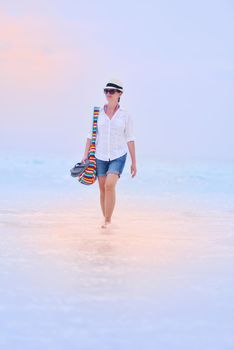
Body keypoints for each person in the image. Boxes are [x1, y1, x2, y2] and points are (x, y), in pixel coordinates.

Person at [82, 79, 137, 229]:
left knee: (109, 185)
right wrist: (85, 155)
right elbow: (90, 135)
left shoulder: (125, 115)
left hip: (118, 155)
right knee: (102, 188)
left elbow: (130, 138)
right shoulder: (98, 113)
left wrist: (134, 162)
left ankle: (107, 220)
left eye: (112, 91)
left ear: (120, 93)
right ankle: (106, 220)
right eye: (106, 91)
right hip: (99, 155)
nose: (108, 94)